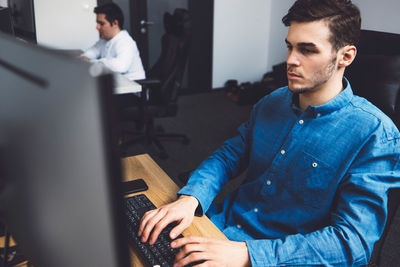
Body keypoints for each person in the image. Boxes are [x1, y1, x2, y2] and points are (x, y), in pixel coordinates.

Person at [138, 0, 400, 266]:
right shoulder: (272, 101)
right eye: (290, 46)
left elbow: (352, 244)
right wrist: (192, 197)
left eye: (307, 50)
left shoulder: (375, 135)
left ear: (345, 56)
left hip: (279, 257)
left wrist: (248, 255)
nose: (290, 60)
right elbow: (229, 155)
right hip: (219, 231)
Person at [81, 3, 145, 81]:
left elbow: (121, 66)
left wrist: (91, 62)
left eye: (101, 23)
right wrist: (84, 59)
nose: (97, 27)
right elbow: (91, 52)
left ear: (115, 23)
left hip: (132, 88)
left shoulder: (125, 41)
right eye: (97, 23)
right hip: (118, 84)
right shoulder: (104, 39)